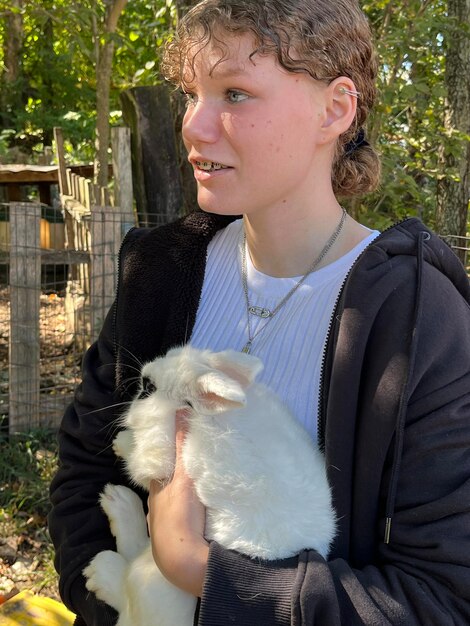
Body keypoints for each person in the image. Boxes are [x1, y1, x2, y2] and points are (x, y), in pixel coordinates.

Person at [49, 0, 470, 624]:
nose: (194, 124)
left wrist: (194, 569)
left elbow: (439, 597)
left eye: (236, 94)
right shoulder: (162, 272)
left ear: (335, 109)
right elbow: (87, 473)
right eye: (192, 93)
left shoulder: (415, 319)